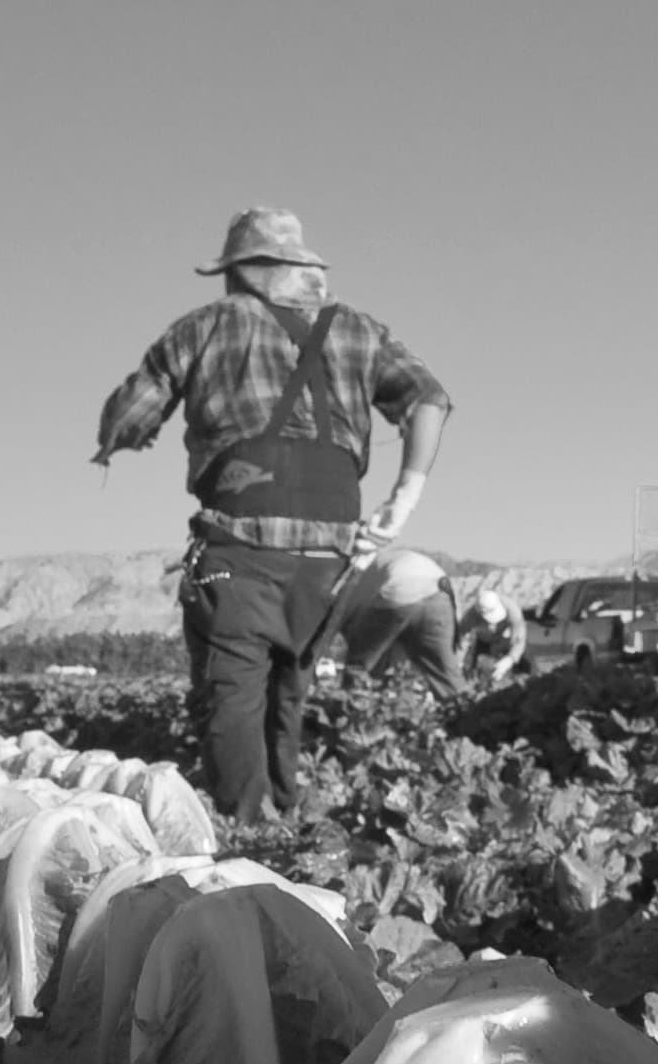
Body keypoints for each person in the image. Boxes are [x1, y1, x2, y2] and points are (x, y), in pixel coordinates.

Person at [94, 207, 455, 824]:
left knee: (232, 694)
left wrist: (123, 438)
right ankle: (283, 821)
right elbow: (430, 400)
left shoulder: (206, 327)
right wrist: (405, 495)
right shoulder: (360, 331)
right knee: (289, 687)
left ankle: (246, 830)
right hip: (330, 556)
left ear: (245, 273)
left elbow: (128, 416)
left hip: (239, 547)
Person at [327, 544, 465, 699]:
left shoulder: (360, 574)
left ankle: (352, 708)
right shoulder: (388, 559)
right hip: (439, 595)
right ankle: (465, 712)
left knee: (358, 664)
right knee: (444, 671)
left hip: (399, 589)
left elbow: (349, 621)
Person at [456, 582, 529, 687]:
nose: (491, 624)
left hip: (506, 640)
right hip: (483, 640)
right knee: (474, 670)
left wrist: (510, 658)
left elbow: (519, 638)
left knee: (521, 668)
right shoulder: (471, 615)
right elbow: (461, 637)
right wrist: (459, 660)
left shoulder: (512, 610)